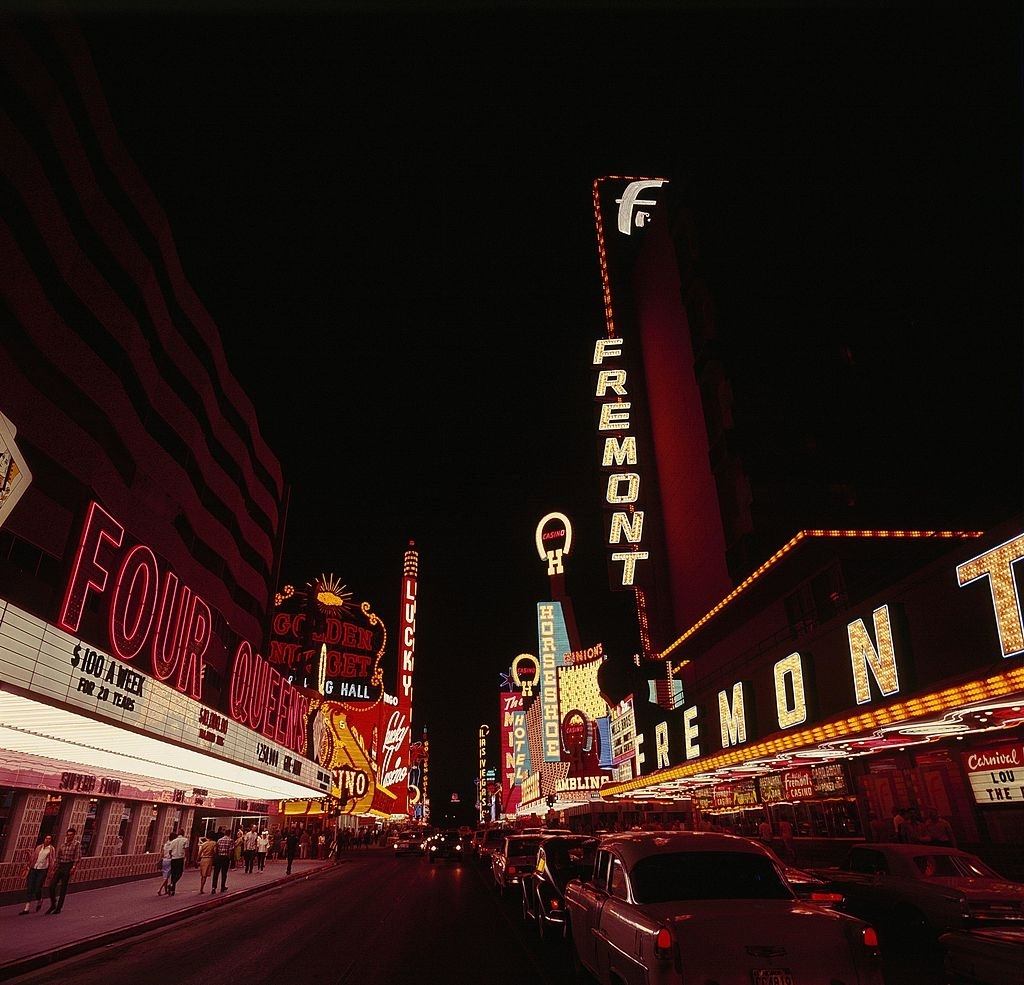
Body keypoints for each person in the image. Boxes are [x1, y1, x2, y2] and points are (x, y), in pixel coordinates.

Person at [47, 825, 81, 914]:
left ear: (74, 835)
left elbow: (77, 857)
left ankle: (58, 907)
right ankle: (53, 903)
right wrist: (54, 869)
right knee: (52, 886)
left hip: (68, 866)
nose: (69, 836)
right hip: (61, 866)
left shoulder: (76, 844)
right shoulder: (63, 845)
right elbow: (58, 857)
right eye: (68, 835)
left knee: (63, 888)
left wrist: (73, 868)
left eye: (71, 835)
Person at [19, 834, 55, 914]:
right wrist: (28, 854)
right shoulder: (39, 847)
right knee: (30, 887)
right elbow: (33, 858)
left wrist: (51, 871)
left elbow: (52, 861)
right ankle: (27, 908)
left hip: (43, 870)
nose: (48, 840)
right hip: (34, 868)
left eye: (49, 839)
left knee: (37, 887)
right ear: (44, 839)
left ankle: (39, 900)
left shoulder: (51, 849)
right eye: (46, 838)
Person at [166, 827, 188, 896]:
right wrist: (186, 858)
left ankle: (172, 890)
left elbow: (170, 851)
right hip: (180, 858)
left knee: (173, 874)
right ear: (183, 833)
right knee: (179, 873)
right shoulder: (185, 840)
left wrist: (172, 855)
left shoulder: (173, 841)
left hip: (174, 859)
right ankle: (172, 884)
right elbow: (186, 850)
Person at [213, 827, 234, 893]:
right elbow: (230, 851)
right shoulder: (230, 840)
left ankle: (214, 887)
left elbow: (215, 849)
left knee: (216, 873)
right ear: (229, 833)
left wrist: (216, 856)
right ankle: (222, 887)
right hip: (225, 858)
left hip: (219, 857)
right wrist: (229, 858)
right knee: (224, 873)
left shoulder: (219, 840)